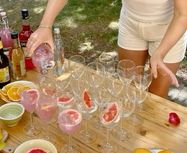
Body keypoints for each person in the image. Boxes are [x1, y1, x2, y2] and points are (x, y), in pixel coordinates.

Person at [27, 0, 187, 98]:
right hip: (131, 23)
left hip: (168, 30)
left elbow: (182, 14)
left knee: (156, 99)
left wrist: (160, 53)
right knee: (128, 90)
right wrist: (45, 25)